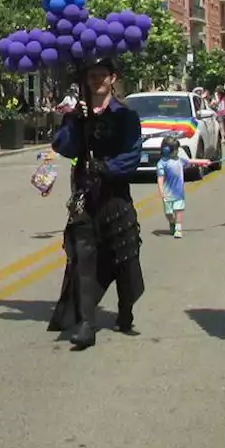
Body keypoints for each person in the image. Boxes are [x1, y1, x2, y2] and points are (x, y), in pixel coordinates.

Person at [47, 58, 144, 349]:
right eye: (92, 75)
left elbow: (132, 156)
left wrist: (106, 167)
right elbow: (61, 146)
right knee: (83, 259)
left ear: (112, 78)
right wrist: (75, 120)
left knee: (126, 263)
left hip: (115, 198)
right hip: (85, 197)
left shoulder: (126, 115)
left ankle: (125, 308)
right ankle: (86, 323)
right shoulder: (79, 114)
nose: (97, 80)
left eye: (102, 75)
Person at [155, 137, 211, 238]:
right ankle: (172, 222)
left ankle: (178, 228)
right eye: (176, 150)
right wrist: (161, 189)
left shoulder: (179, 160)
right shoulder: (162, 164)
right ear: (167, 150)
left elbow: (191, 161)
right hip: (168, 193)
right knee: (168, 213)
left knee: (178, 210)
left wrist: (204, 161)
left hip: (178, 192)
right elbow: (160, 178)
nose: (178, 151)